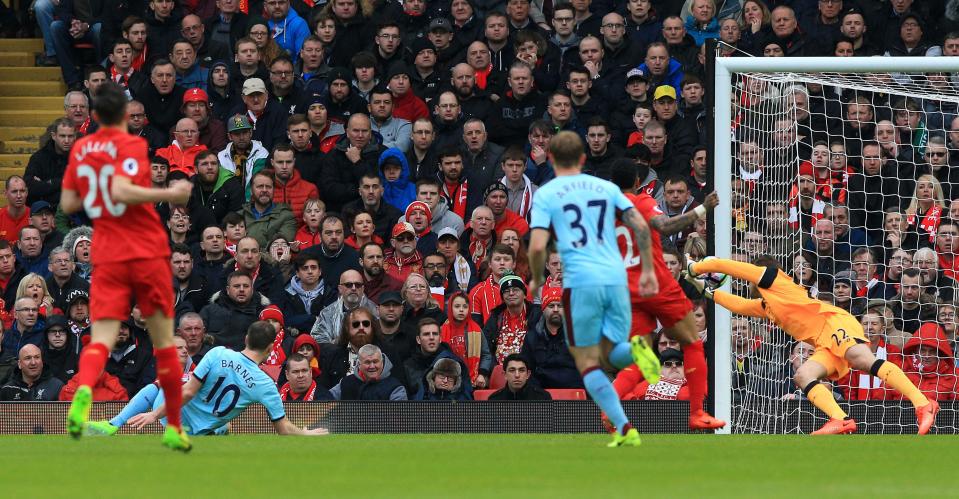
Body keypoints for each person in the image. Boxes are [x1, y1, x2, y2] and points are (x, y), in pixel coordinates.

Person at [60, 83, 194, 449]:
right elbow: (122, 190)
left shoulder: (82, 150)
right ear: (122, 115)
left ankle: (83, 394)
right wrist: (169, 193)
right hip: (146, 249)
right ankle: (173, 428)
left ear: (93, 116)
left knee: (101, 337)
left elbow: (69, 202)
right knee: (165, 341)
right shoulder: (131, 145)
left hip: (107, 250)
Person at [687, 256, 941, 435]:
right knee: (803, 375)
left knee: (862, 359)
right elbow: (736, 305)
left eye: (751, 281)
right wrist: (704, 290)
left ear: (758, 277)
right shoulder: (768, 305)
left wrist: (696, 266)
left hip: (833, 323)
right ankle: (841, 419)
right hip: (823, 341)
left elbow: (728, 266)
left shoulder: (777, 281)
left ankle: (922, 403)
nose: (749, 285)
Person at [527, 131, 657, 447]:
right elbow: (640, 225)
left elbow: (538, 246)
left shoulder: (547, 194)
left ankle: (624, 423)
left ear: (552, 159)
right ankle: (626, 421)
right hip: (616, 278)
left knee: (587, 363)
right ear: (584, 159)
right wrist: (649, 269)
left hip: (582, 281)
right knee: (611, 352)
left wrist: (537, 277)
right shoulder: (608, 188)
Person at [608, 159, 724, 430]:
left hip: (627, 290)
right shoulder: (641, 201)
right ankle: (697, 413)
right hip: (657, 284)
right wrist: (702, 209)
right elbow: (666, 226)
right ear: (637, 182)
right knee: (692, 343)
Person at [123, 321, 328, 436]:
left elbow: (187, 392)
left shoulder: (217, 353)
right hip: (200, 435)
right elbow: (283, 428)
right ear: (269, 349)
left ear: (246, 339)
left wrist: (154, 415)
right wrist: (306, 434)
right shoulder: (265, 384)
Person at [520, 288, 582, 389]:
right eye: (551, 306)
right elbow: (526, 369)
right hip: (541, 395)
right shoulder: (532, 337)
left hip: (573, 393)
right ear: (543, 309)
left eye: (560, 306)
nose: (556, 309)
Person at [329, 344, 407, 400]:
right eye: (367, 362)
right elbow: (326, 399)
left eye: (375, 361)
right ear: (359, 364)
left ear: (382, 362)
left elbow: (399, 419)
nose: (372, 366)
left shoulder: (395, 388)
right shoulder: (346, 383)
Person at [0, 344, 64, 401]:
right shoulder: (7, 389)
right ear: (19, 364)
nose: (33, 362)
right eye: (28, 358)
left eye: (37, 357)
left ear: (42, 362)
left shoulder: (57, 386)